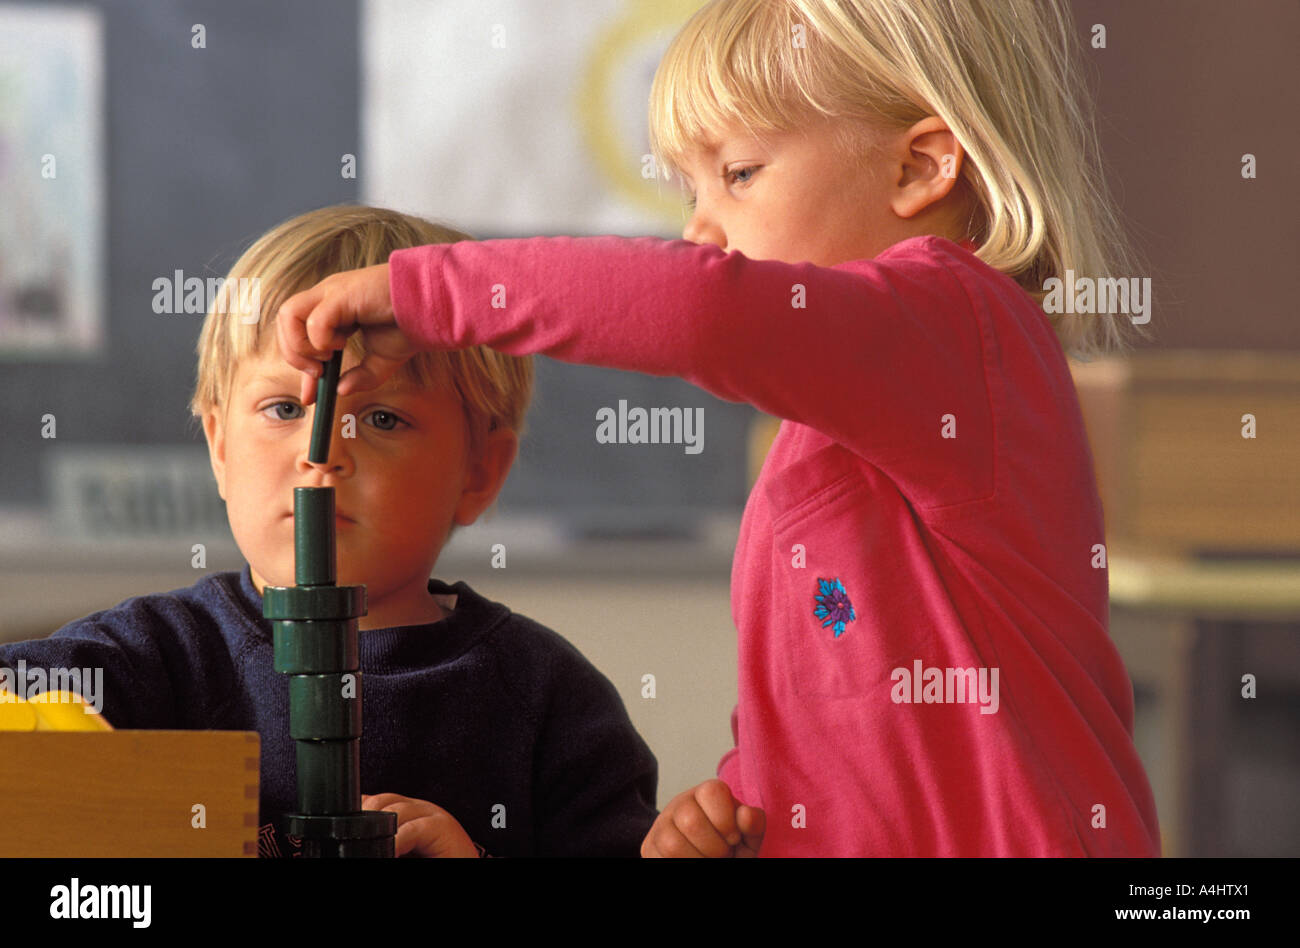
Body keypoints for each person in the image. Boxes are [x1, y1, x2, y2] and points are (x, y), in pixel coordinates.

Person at [276, 0, 1160, 857]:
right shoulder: (819, 441)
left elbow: (699, 311)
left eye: (739, 174)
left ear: (921, 167)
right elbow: (823, 705)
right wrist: (746, 802)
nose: (699, 232)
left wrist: (423, 291)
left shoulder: (964, 328)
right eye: (691, 190)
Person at [0, 205, 658, 857]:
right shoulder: (154, 659)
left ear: (480, 471)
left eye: (381, 420)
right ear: (220, 446)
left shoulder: (549, 700)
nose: (324, 455)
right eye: (284, 408)